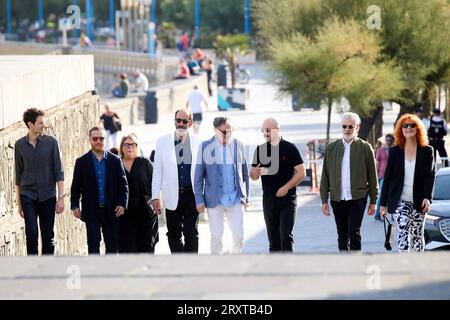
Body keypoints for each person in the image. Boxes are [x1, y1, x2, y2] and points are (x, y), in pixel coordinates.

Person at [320, 112, 378, 252]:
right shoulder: (331, 148)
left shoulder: (365, 148)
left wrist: (373, 201)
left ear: (357, 127)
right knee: (342, 235)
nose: (347, 129)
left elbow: (372, 176)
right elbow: (325, 176)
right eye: (344, 126)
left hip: (357, 198)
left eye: (350, 126)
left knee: (354, 232)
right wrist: (324, 200)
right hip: (337, 199)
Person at [380, 114, 435, 252]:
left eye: (412, 125)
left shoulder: (427, 151)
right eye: (405, 125)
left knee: (417, 235)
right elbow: (387, 178)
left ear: (418, 129)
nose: (408, 128)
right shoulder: (394, 152)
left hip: (419, 201)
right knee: (403, 231)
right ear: (401, 130)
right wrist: (382, 204)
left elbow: (430, 176)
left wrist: (428, 198)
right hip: (400, 201)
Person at [194, 117, 249, 254]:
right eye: (224, 132)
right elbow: (198, 177)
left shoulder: (238, 145)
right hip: (215, 200)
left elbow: (245, 173)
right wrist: (199, 200)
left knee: (239, 236)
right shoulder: (205, 147)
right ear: (215, 130)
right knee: (217, 236)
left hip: (235, 198)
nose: (227, 135)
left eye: (230, 131)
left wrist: (246, 196)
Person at [70, 127, 129, 254]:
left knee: (112, 246)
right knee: (93, 245)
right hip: (91, 211)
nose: (98, 141)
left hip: (112, 210)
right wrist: (75, 205)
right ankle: (95, 271)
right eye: (95, 138)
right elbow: (75, 187)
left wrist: (122, 204)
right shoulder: (81, 162)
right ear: (89, 140)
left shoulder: (115, 160)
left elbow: (123, 185)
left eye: (101, 138)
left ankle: (110, 272)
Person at [250, 118, 306, 252]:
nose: (265, 133)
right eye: (263, 130)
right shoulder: (260, 150)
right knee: (273, 240)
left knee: (285, 237)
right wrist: (254, 172)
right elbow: (253, 176)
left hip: (288, 200)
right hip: (269, 200)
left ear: (277, 130)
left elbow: (301, 173)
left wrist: (286, 187)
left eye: (268, 130)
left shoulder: (290, 148)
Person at [14, 108, 65, 255]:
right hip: (28, 195)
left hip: (48, 196)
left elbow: (59, 172)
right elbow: (18, 175)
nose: (44, 125)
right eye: (40, 123)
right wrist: (19, 203)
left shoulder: (51, 143)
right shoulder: (19, 145)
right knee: (31, 233)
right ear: (30, 124)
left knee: (48, 235)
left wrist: (60, 198)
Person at [151, 109, 202, 253]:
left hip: (191, 195)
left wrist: (204, 196)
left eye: (184, 121)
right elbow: (157, 171)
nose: (181, 124)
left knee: (191, 231)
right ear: (174, 121)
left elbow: (203, 172)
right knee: (173, 233)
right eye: (178, 120)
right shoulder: (162, 142)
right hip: (171, 195)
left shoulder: (198, 143)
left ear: (190, 123)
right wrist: (155, 196)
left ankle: (191, 265)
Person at [119, 134, 158, 253]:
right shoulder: (116, 163)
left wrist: (157, 202)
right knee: (127, 247)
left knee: (146, 246)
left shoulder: (145, 163)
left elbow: (155, 184)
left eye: (133, 144)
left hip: (145, 211)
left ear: (137, 146)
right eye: (127, 145)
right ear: (122, 147)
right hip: (124, 212)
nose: (130, 147)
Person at [374, 134, 394, 221]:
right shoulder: (380, 150)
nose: (388, 142)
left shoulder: (394, 150)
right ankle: (378, 214)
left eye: (390, 140)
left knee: (392, 196)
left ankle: (391, 215)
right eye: (387, 140)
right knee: (382, 196)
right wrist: (377, 175)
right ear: (385, 141)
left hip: (393, 177)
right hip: (383, 176)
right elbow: (377, 163)